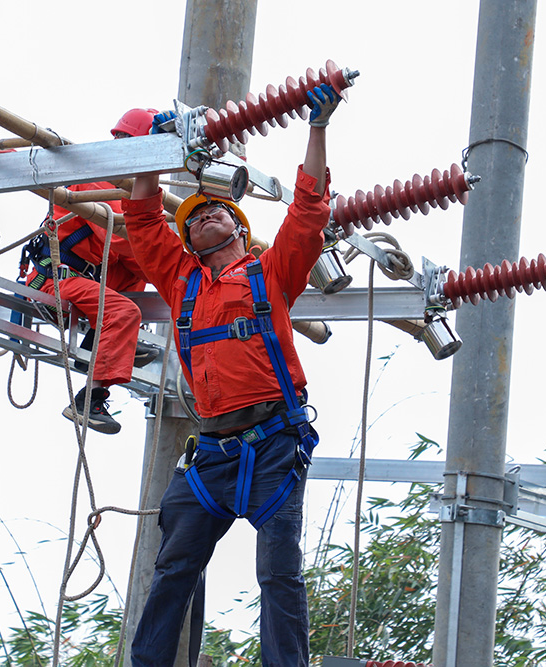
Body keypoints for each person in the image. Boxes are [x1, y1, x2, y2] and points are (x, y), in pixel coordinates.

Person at [123, 85, 342, 666]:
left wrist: (317, 128)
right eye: (193, 219)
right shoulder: (182, 282)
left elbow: (307, 213)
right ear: (189, 243)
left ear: (241, 230)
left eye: (217, 210)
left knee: (279, 573)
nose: (203, 217)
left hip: (273, 445)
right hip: (214, 456)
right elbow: (143, 220)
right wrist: (151, 149)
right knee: (173, 567)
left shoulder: (269, 276)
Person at [22, 108, 161, 434]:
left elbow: (138, 261)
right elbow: (119, 237)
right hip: (55, 280)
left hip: (82, 278)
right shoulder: (94, 176)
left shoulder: (122, 188)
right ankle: (90, 398)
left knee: (136, 272)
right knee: (125, 311)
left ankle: (96, 344)